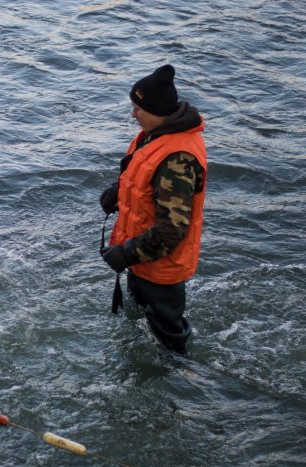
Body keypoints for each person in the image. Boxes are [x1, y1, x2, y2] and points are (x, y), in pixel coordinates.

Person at [99, 64, 207, 354]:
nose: (133, 114)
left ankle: (181, 382)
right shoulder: (155, 134)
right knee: (142, 326)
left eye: (137, 108)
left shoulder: (178, 159)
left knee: (169, 341)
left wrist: (125, 253)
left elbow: (172, 230)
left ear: (157, 110)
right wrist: (116, 192)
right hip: (142, 259)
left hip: (160, 268)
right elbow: (141, 176)